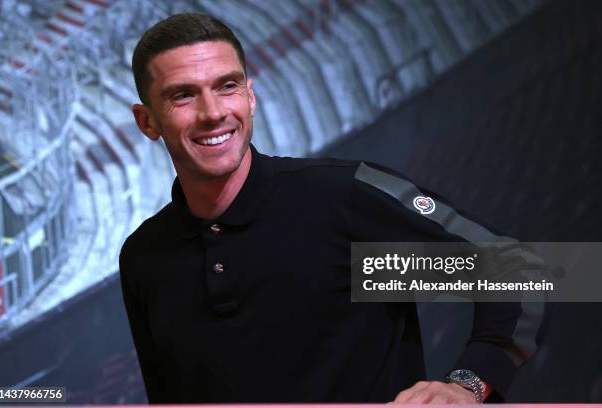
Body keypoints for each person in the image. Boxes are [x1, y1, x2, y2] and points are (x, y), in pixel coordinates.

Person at [119, 13, 542, 404]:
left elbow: (517, 272)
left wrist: (466, 386)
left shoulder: (342, 199)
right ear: (148, 121)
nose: (213, 113)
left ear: (250, 97)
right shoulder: (145, 256)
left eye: (227, 86)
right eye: (183, 96)